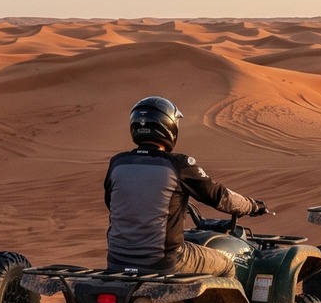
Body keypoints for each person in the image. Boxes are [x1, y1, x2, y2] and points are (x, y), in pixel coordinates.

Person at [105, 96, 266, 276]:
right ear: (169, 127)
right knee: (227, 265)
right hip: (164, 261)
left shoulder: (117, 163)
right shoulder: (179, 165)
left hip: (117, 262)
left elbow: (111, 203)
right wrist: (251, 205)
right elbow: (221, 197)